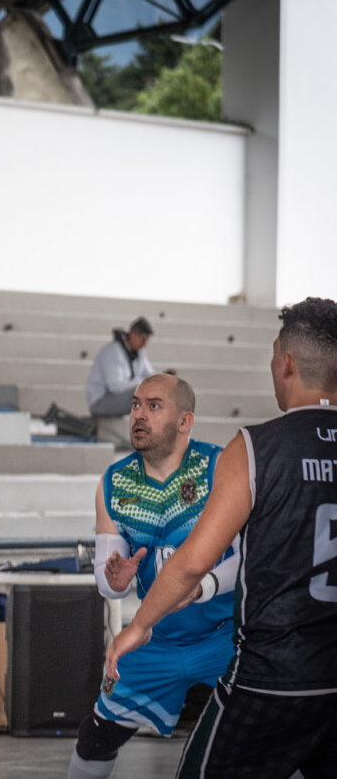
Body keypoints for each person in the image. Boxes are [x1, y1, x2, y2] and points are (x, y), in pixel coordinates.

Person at [106, 297, 337, 778]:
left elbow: (192, 561)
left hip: (271, 678)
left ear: (286, 362)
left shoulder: (252, 448)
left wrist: (139, 625)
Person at [67, 374, 237, 779]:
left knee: (278, 734)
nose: (139, 415)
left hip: (228, 637)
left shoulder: (221, 466)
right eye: (136, 405)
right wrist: (118, 580)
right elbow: (107, 581)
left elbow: (250, 559)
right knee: (95, 737)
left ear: (185, 421)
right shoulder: (113, 482)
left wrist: (200, 587)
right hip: (155, 636)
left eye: (154, 406)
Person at [86, 317, 157, 418]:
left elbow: (149, 374)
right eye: (142, 340)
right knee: (142, 393)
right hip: (100, 402)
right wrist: (142, 382)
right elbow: (115, 387)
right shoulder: (113, 351)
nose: (144, 345)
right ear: (133, 334)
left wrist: (162, 378)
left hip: (119, 398)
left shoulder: (140, 353)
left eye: (146, 341)